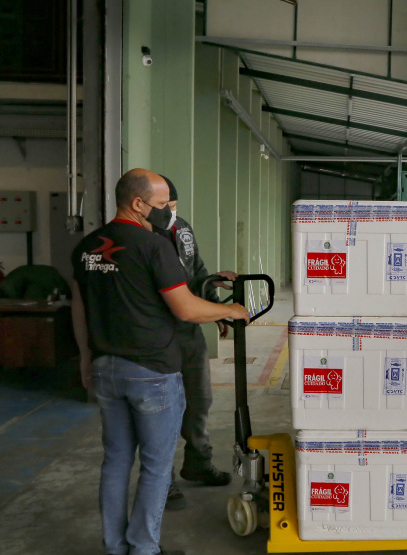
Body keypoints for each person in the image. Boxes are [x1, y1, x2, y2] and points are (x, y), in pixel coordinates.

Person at [71, 169, 250, 555]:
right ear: (138, 204)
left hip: (106, 369)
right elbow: (184, 308)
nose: (169, 211)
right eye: (162, 203)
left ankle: (116, 546)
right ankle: (145, 548)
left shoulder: (86, 246)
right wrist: (230, 310)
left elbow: (79, 307)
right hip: (151, 372)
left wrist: (86, 357)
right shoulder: (154, 246)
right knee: (155, 467)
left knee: (116, 462)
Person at [154, 175, 235, 511]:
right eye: (164, 207)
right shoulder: (142, 238)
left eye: (174, 207)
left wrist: (215, 305)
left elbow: (195, 268)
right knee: (162, 411)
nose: (170, 213)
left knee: (200, 399)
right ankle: (163, 480)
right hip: (158, 333)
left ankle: (198, 463)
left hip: (189, 333)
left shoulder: (182, 229)